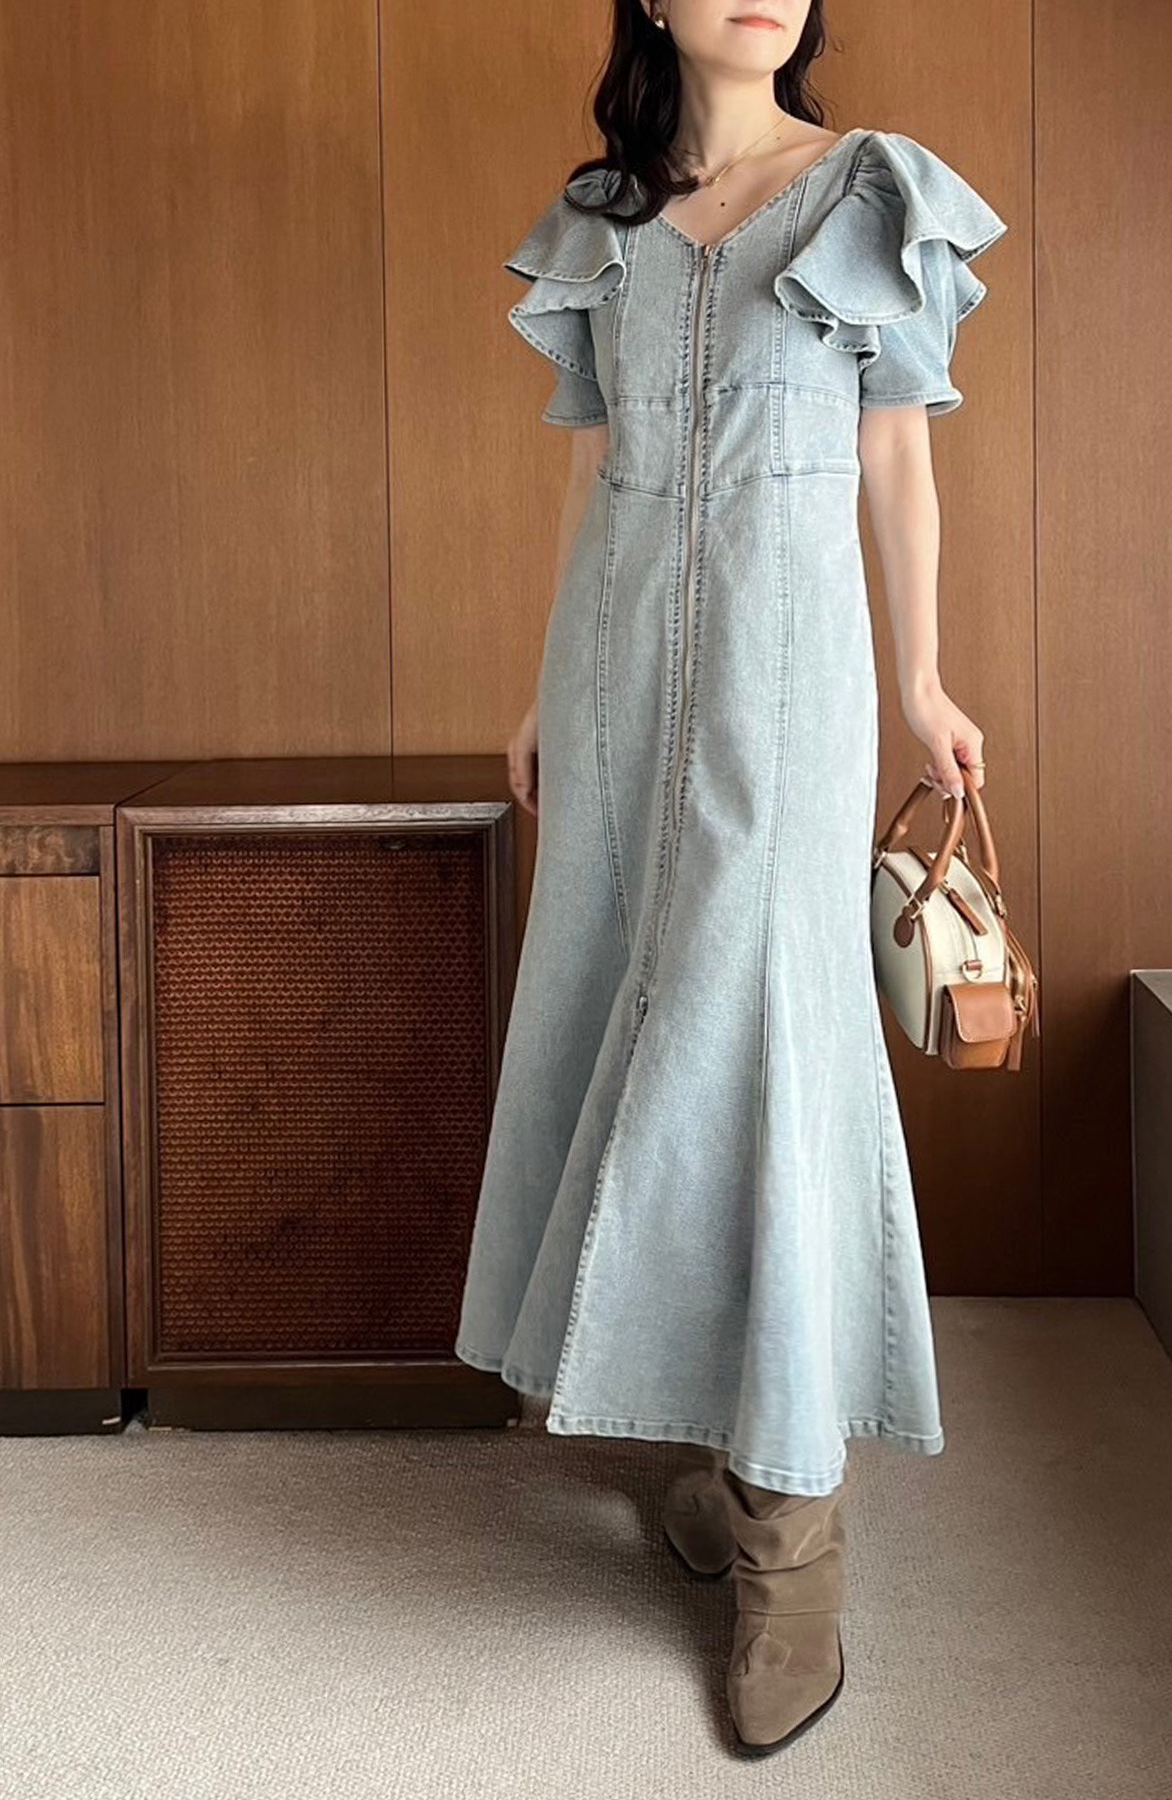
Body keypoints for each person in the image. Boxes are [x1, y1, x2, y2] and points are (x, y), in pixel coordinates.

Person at [453, 0, 1005, 1757]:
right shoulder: (604, 214)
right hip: (617, 681)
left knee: (763, 1044)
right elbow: (595, 471)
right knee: (625, 1017)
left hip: (787, 680)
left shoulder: (869, 189)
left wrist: (922, 681)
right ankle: (716, 1448)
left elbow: (898, 456)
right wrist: (543, 687)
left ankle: (793, 1538)